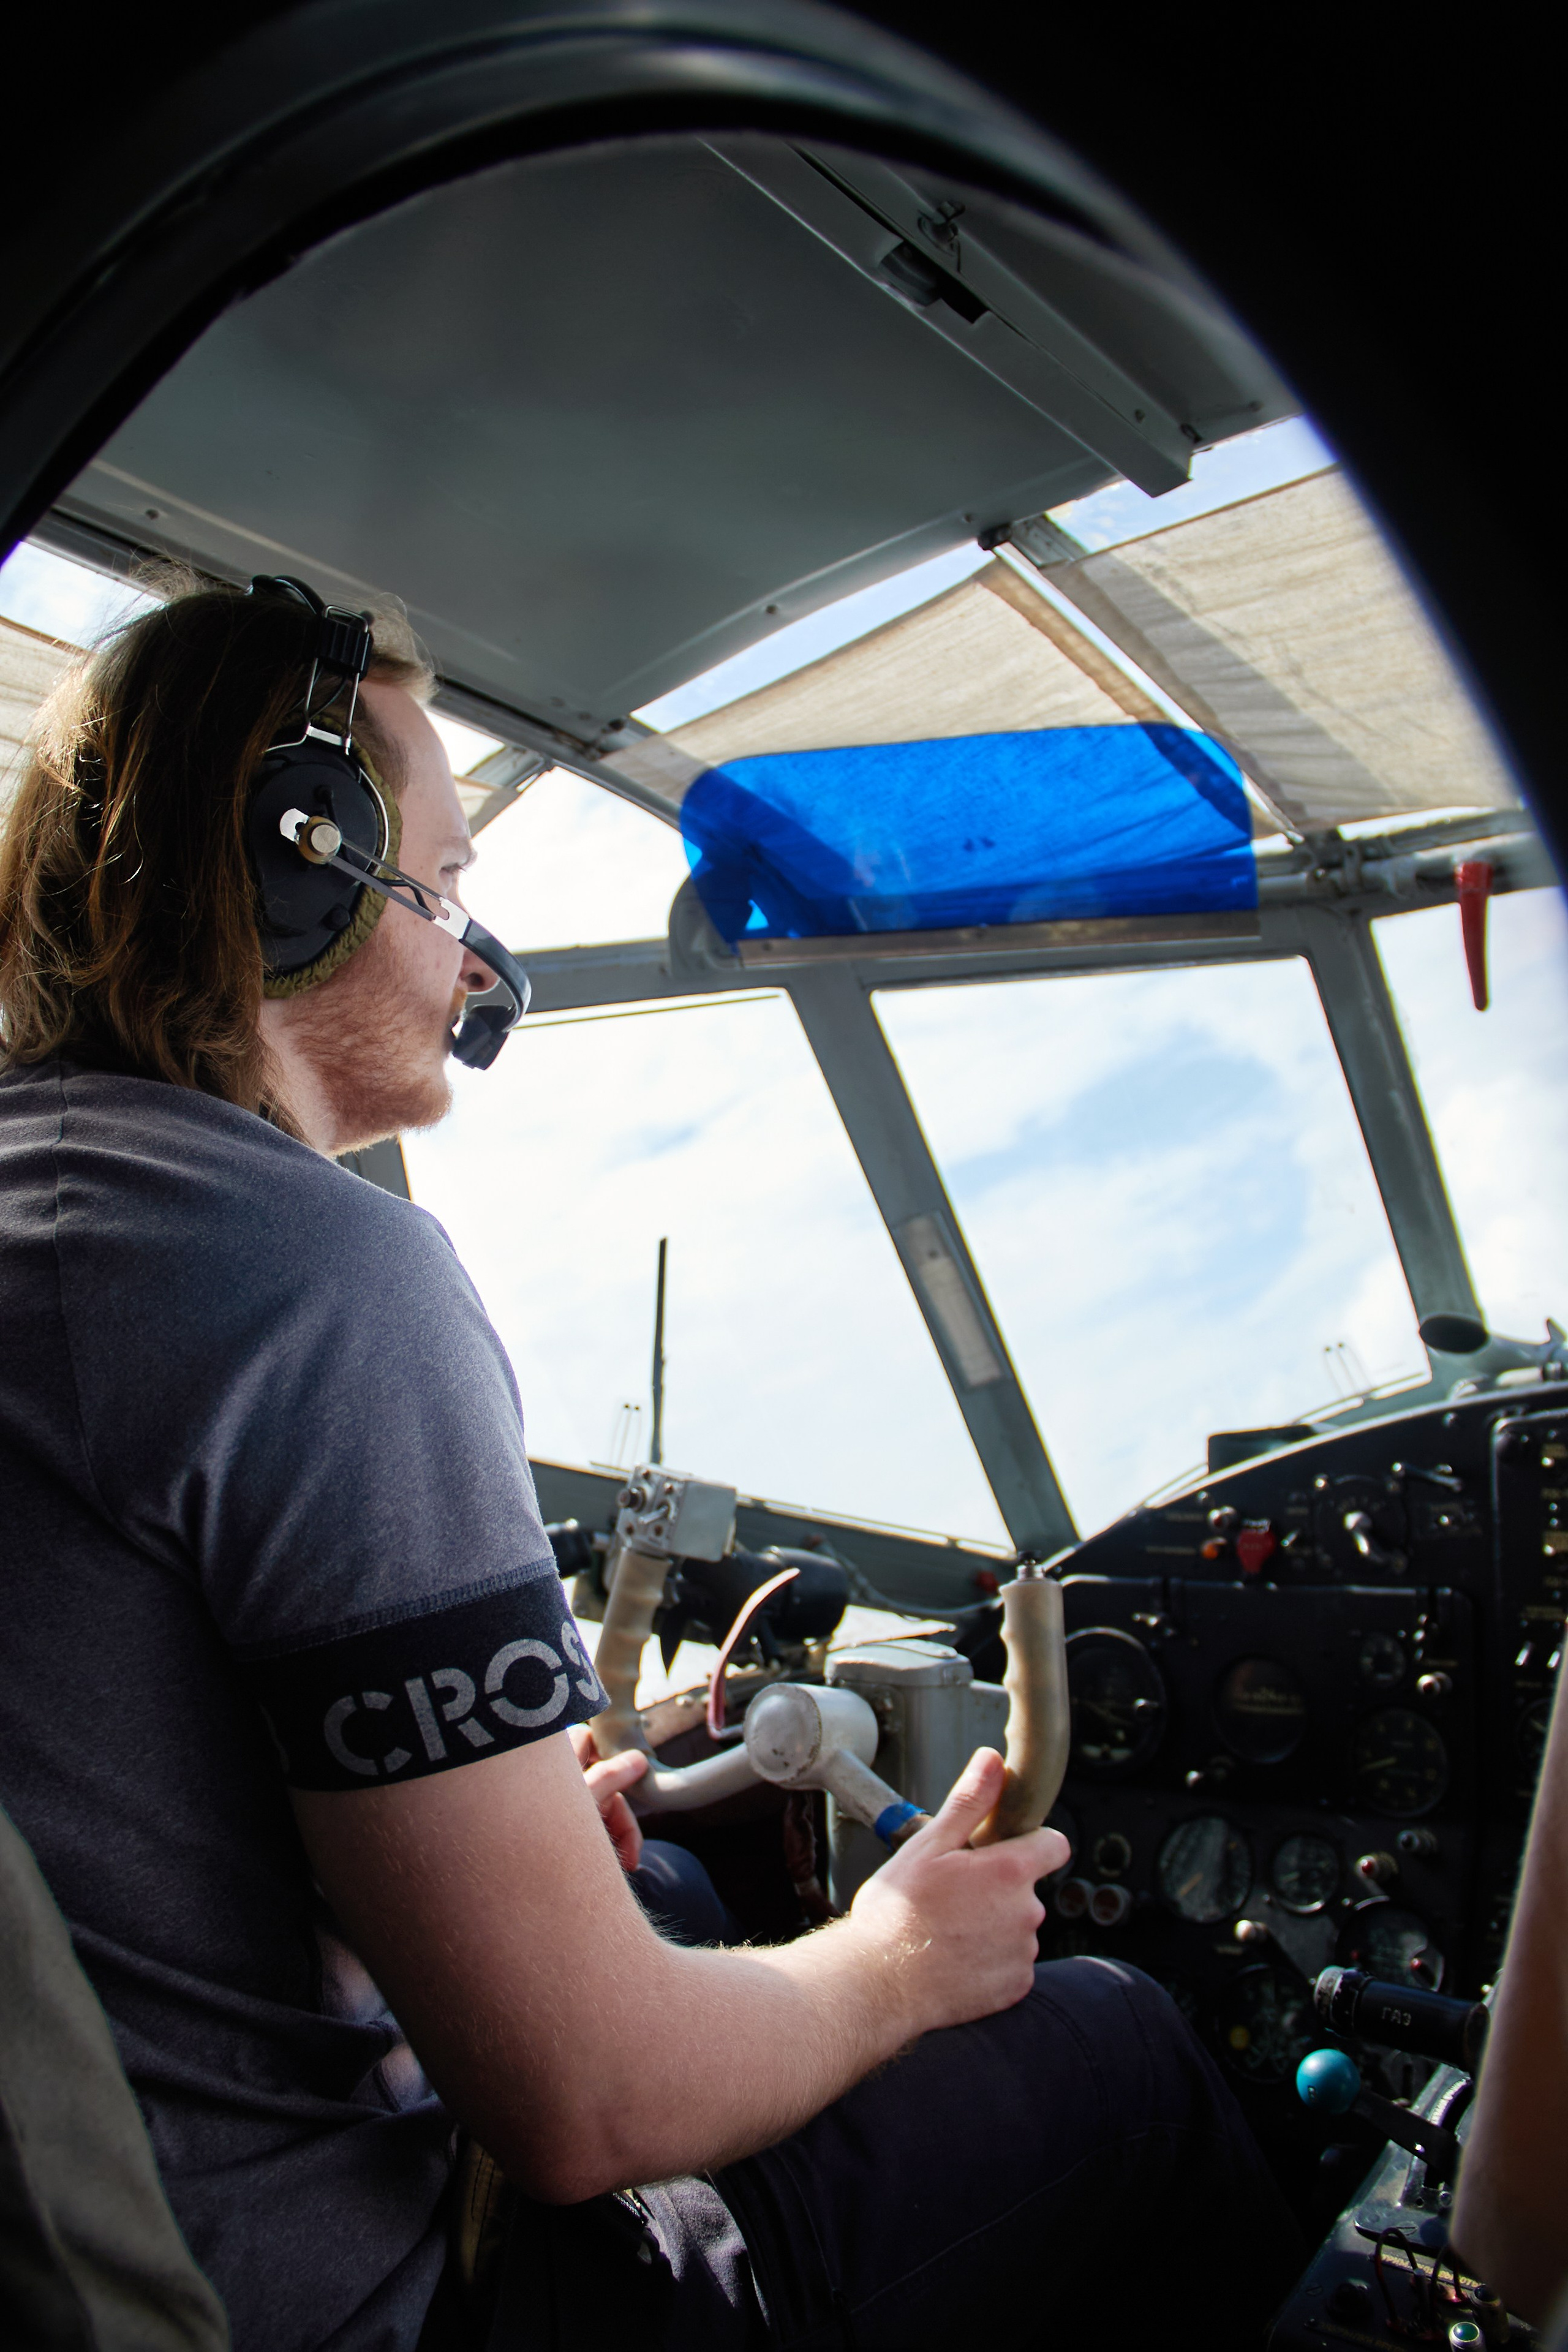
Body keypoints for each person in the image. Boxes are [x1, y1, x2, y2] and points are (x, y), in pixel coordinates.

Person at [0, 576, 1301, 2352]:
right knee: (1123, 2053)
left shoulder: (53, 1211)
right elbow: (582, 2104)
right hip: (375, 2300)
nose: (473, 957)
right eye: (442, 887)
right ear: (298, 865)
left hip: (134, 2203)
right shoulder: (301, 1270)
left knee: (668, 1879)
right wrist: (904, 1960)